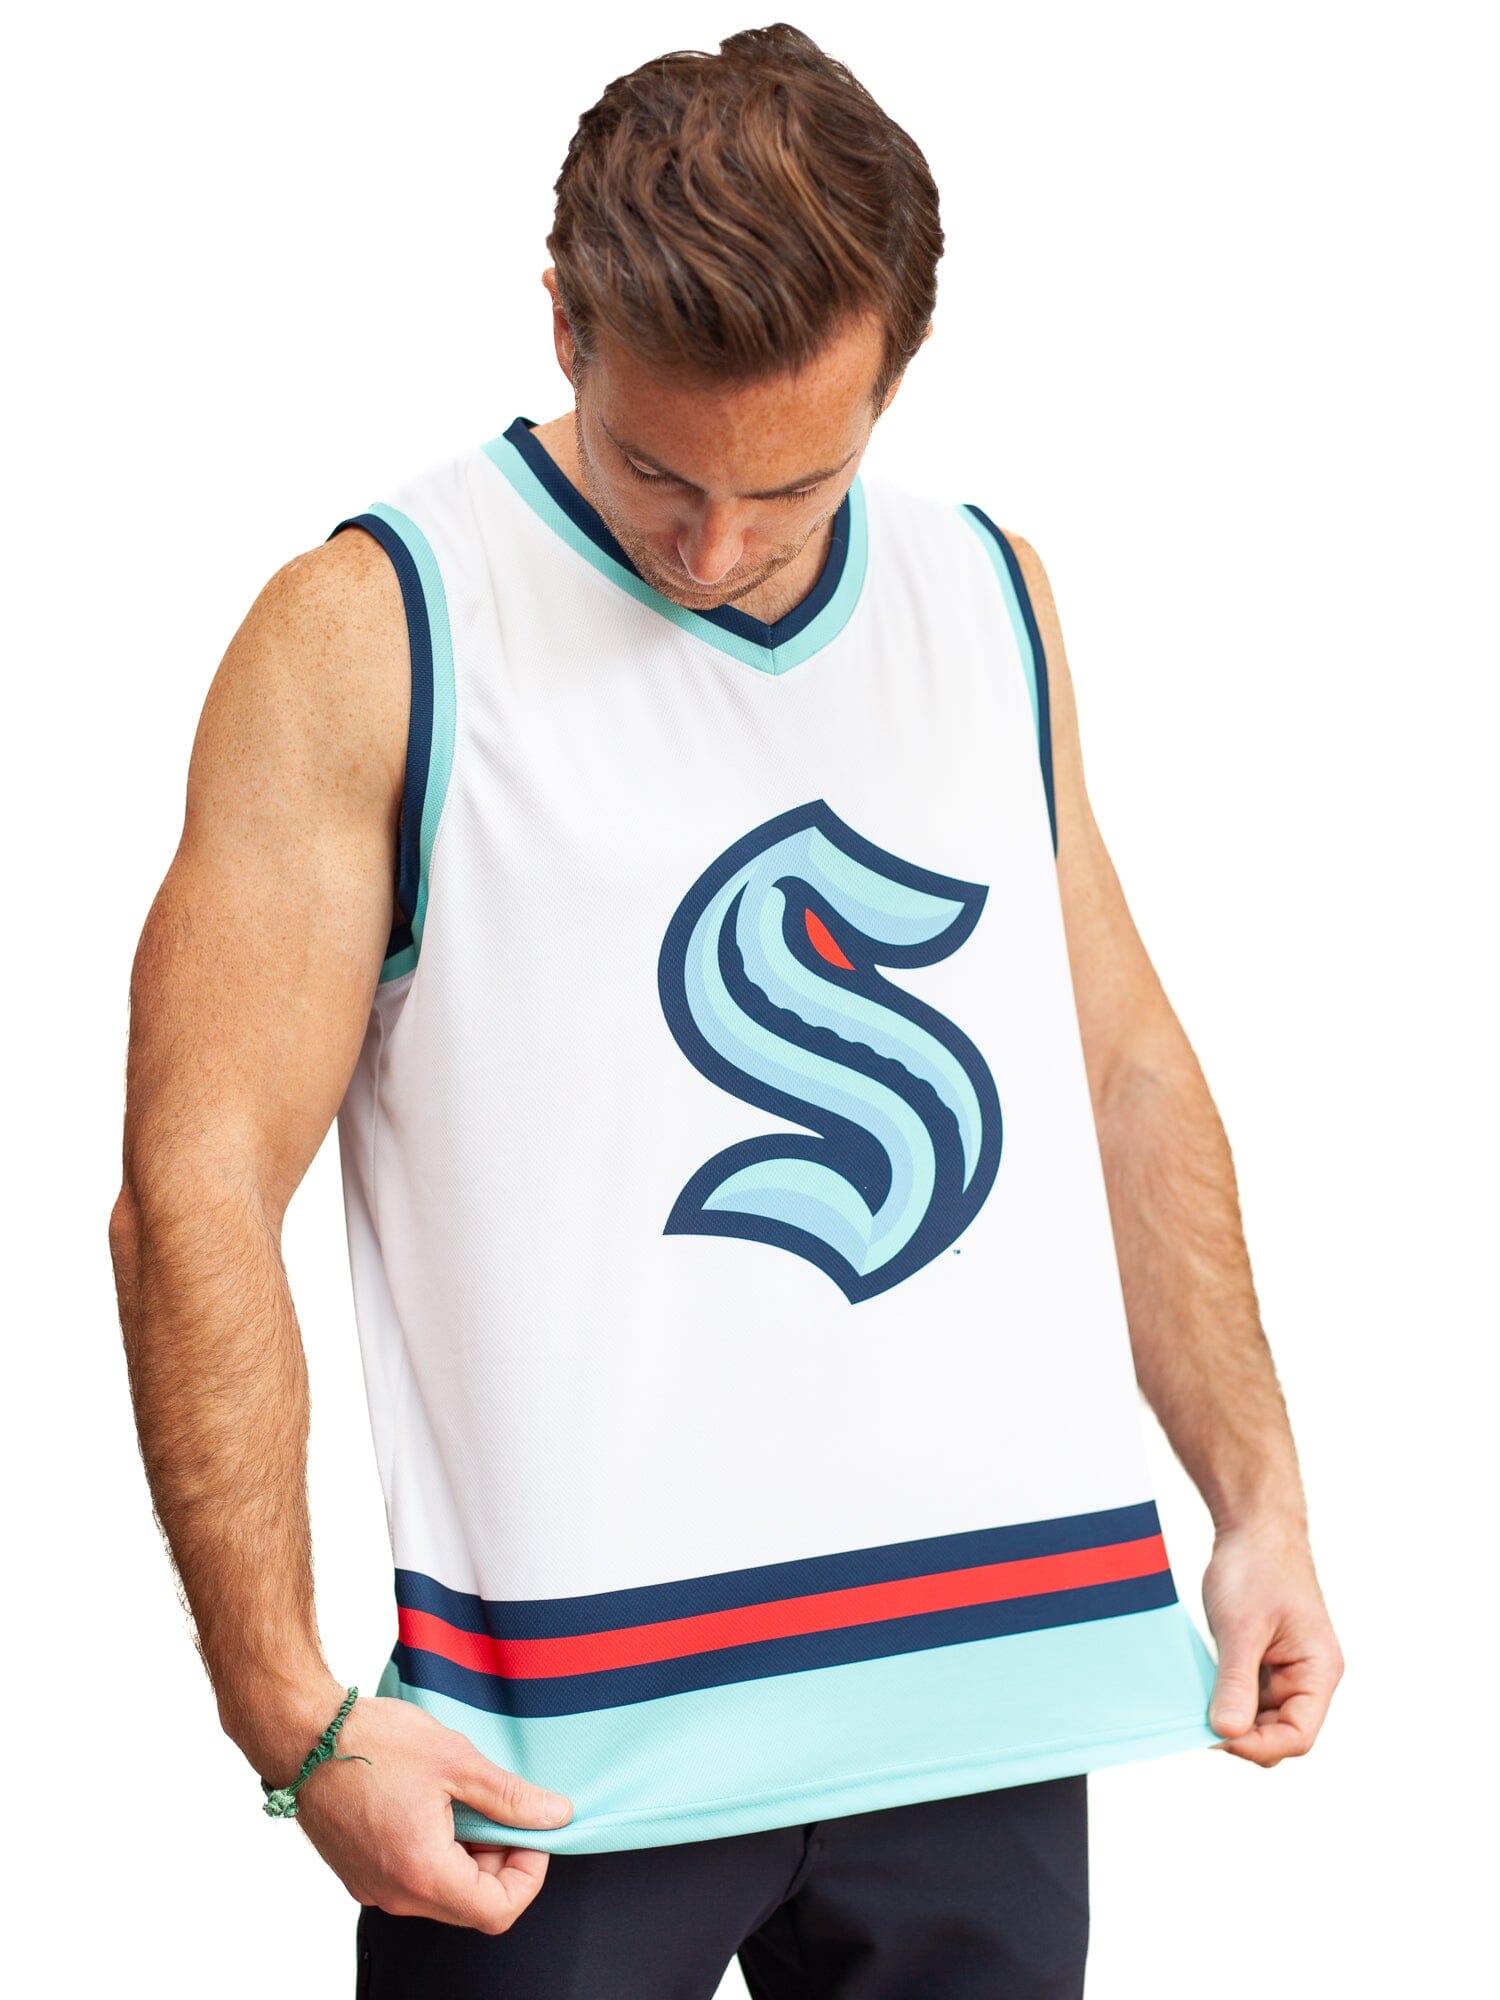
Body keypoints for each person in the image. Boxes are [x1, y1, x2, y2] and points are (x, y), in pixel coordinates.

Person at [109, 22, 1343, 1998]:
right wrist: (289, 1713)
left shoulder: (989, 597)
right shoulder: (375, 630)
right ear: (564, 323)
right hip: (563, 1757)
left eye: (794, 483)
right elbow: (193, 1185)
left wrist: (1261, 1498)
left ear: (894, 379)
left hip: (984, 1702)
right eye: (657, 469)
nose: (713, 546)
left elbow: (1115, 1066)